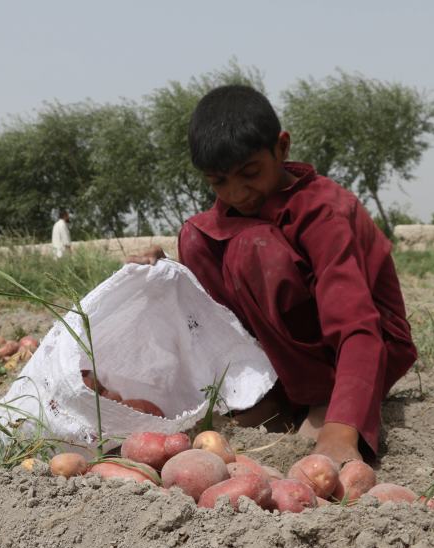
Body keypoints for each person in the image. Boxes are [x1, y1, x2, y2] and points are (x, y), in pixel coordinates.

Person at [129, 85, 417, 466]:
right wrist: (167, 270)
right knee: (197, 238)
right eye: (219, 182)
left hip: (367, 345)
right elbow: (212, 309)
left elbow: (357, 328)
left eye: (250, 174)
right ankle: (268, 394)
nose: (236, 193)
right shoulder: (230, 215)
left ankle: (323, 398)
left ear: (282, 148)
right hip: (290, 354)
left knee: (254, 249)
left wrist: (340, 431)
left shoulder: (323, 213)